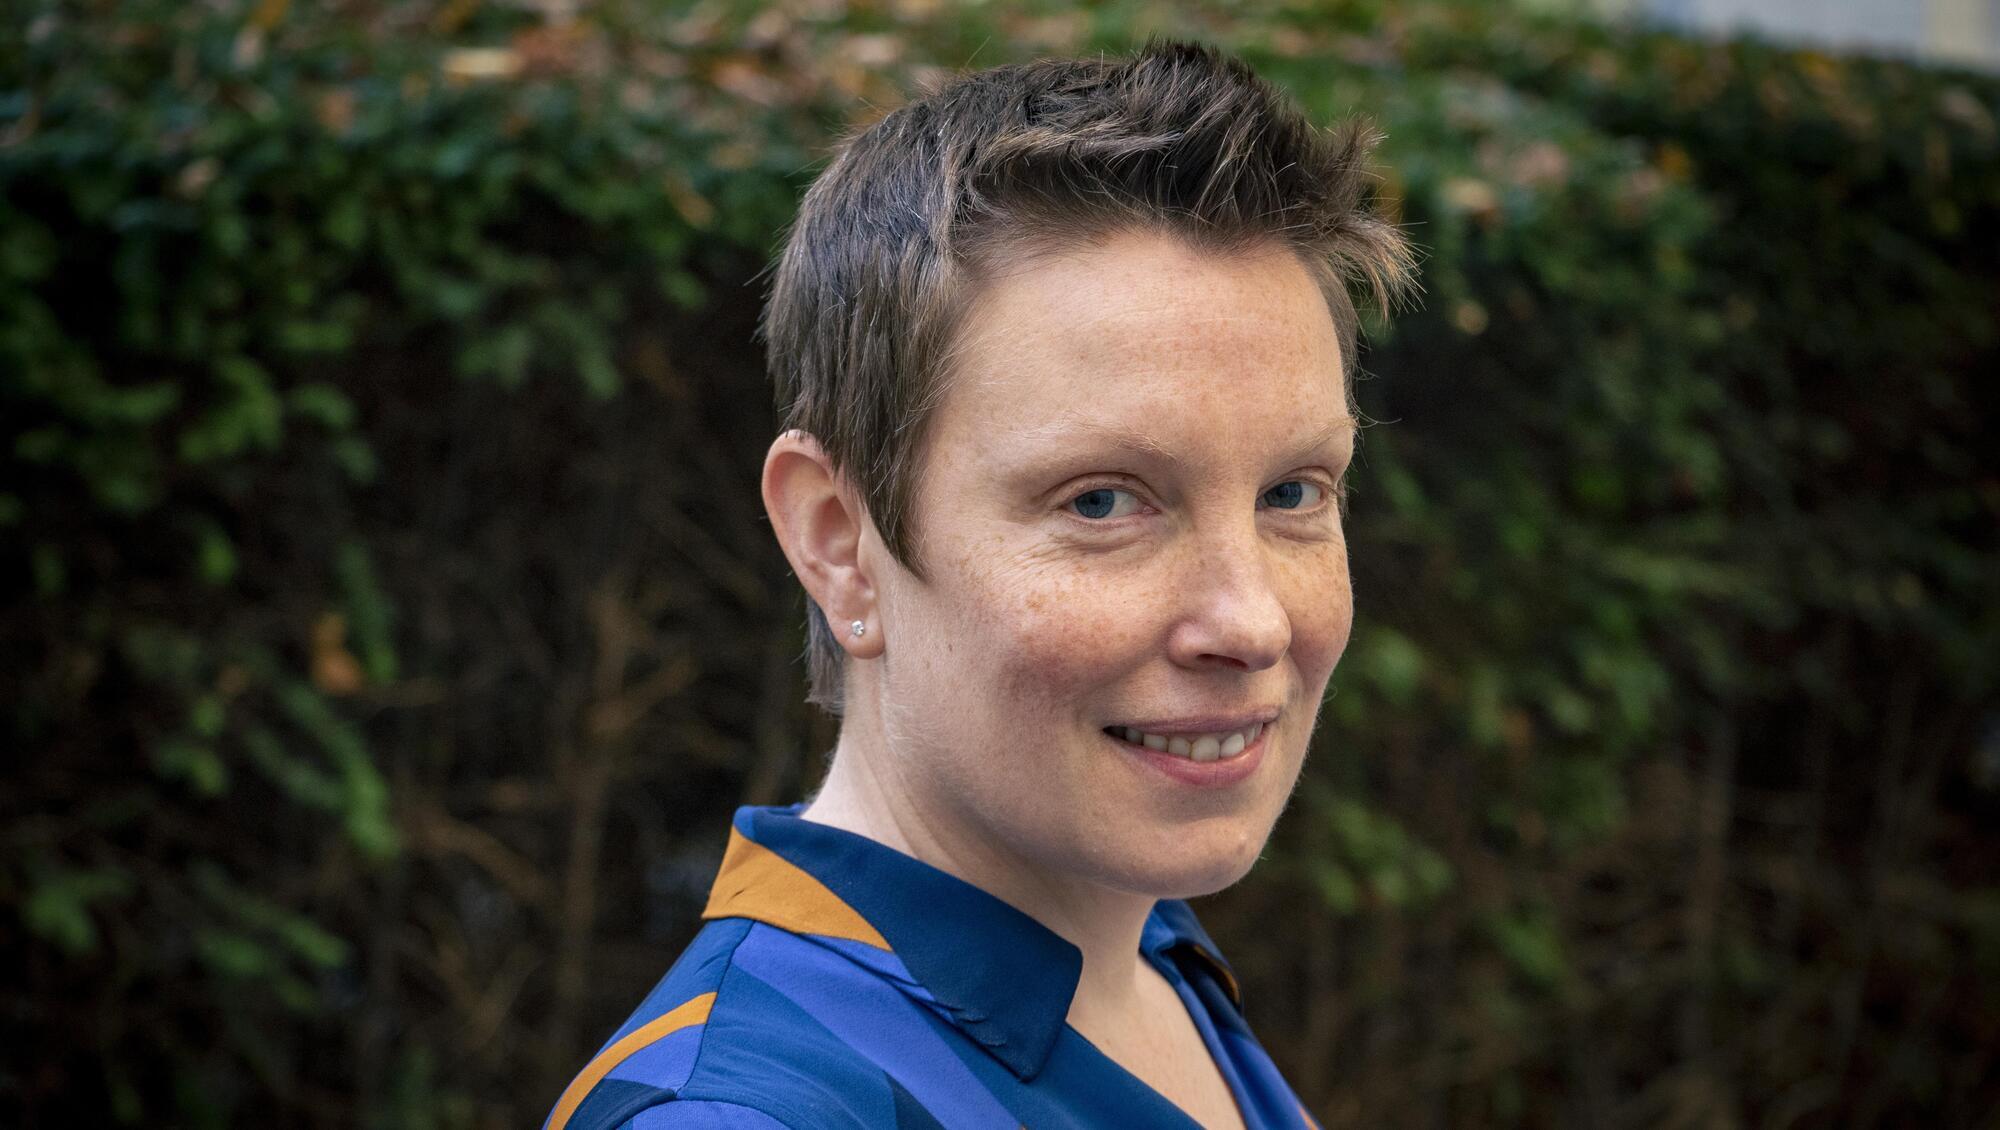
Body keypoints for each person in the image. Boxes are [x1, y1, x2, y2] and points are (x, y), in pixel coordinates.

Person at [545, 38, 1413, 1130]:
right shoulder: (735, 1114)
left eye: (1291, 491)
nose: (1251, 620)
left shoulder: (1137, 945)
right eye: (1101, 502)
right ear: (838, 542)